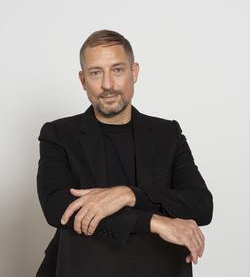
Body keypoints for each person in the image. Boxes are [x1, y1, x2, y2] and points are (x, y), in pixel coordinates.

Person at [36, 29, 213, 277]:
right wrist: (153, 221)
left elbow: (201, 205)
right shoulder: (58, 134)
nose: (107, 84)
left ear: (134, 72)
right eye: (96, 73)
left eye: (117, 70)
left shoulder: (167, 133)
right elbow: (57, 207)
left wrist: (129, 195)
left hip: (160, 269)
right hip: (84, 269)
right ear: (82, 79)